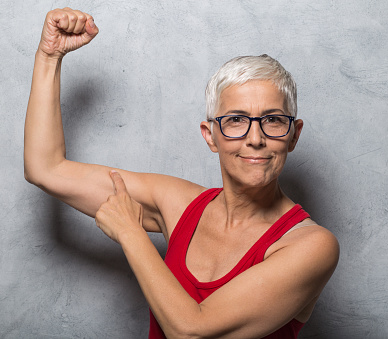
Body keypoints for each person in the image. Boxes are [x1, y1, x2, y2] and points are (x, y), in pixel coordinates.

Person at [24, 7, 339, 339]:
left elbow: (193, 331)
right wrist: (50, 56)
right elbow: (46, 168)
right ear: (209, 135)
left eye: (273, 120)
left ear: (294, 134)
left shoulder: (311, 246)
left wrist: (131, 233)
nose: (256, 138)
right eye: (236, 120)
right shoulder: (178, 205)